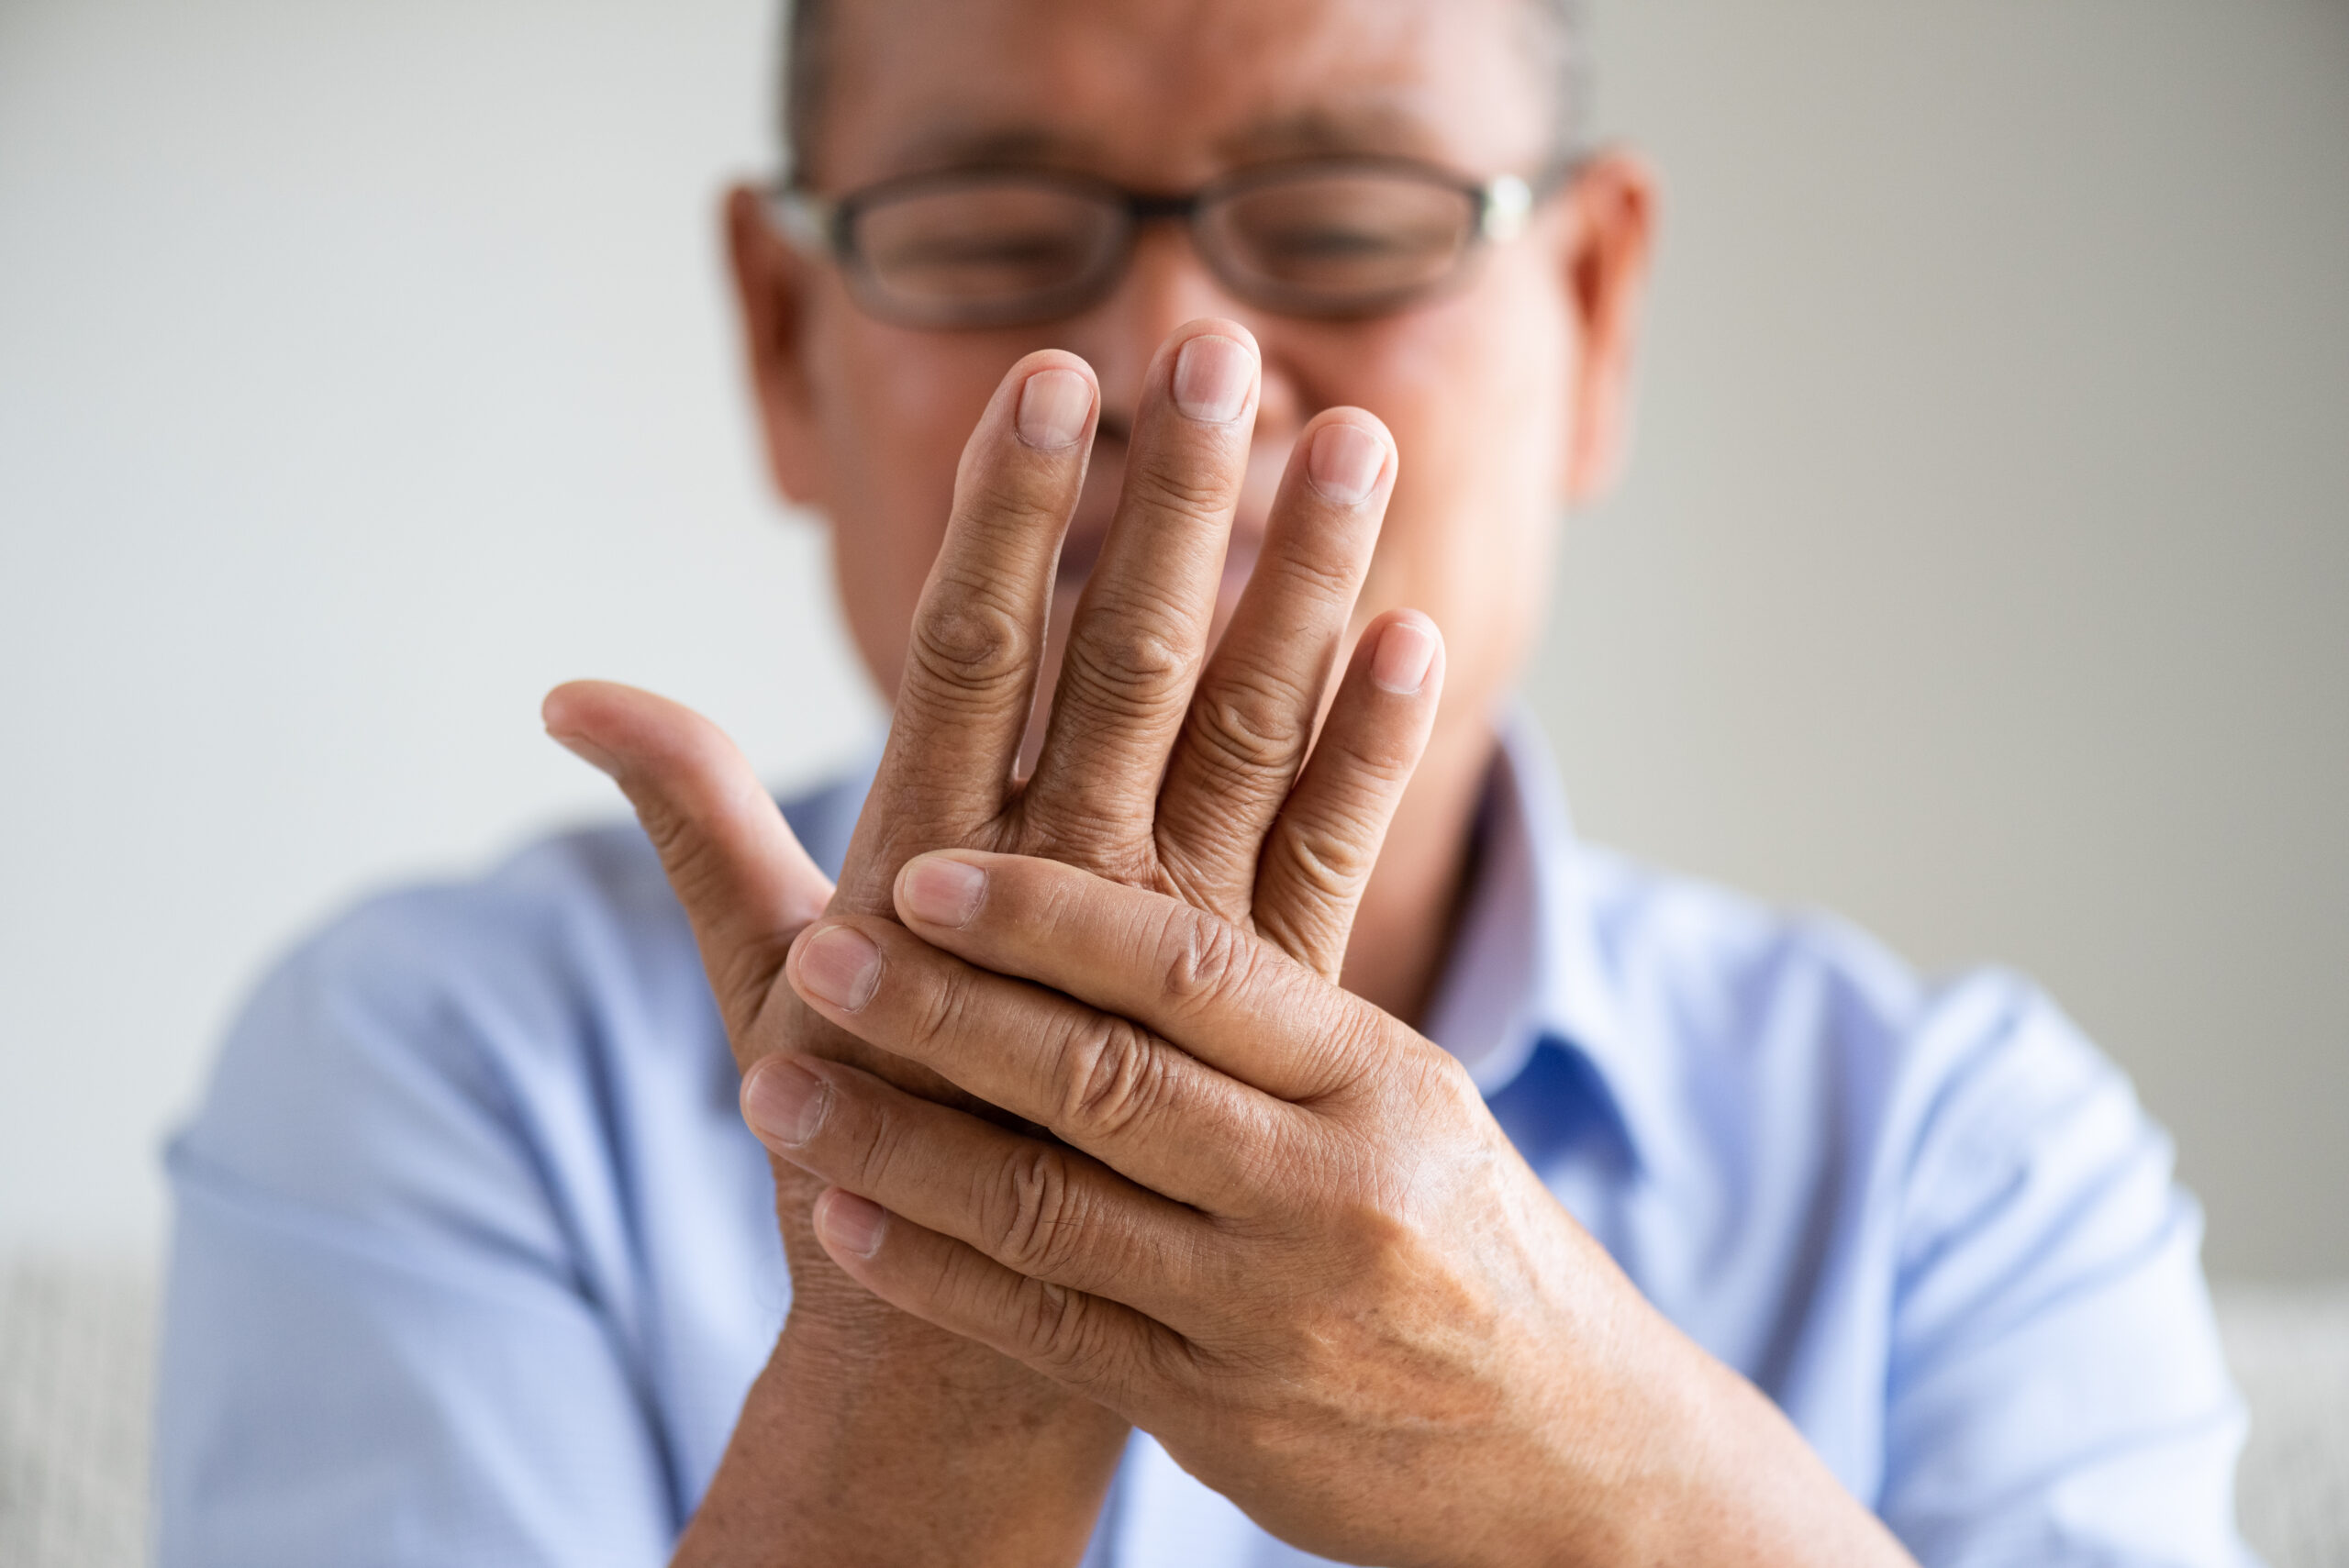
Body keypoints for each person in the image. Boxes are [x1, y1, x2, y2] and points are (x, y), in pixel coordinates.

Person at [154, 0, 2261, 1562]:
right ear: (784, 337)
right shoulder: (436, 1072)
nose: (1186, 373)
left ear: (1595, 310)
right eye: (990, 227)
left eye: (1343, 219)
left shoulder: (1957, 1164)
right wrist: (943, 1337)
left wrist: (1587, 1460)